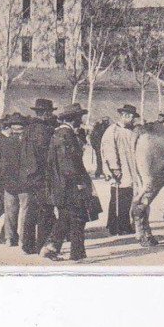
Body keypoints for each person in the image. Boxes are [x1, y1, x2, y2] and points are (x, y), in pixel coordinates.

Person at [40, 103, 93, 261]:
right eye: (79, 117)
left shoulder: (59, 133)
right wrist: (78, 182)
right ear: (73, 118)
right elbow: (67, 162)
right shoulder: (66, 134)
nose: (81, 120)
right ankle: (77, 254)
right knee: (78, 217)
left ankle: (51, 248)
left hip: (60, 184)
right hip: (69, 185)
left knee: (66, 217)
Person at [19, 98, 58, 253]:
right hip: (41, 176)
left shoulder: (28, 129)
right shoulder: (44, 131)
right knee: (45, 211)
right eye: (50, 112)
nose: (51, 115)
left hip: (28, 176)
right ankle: (42, 244)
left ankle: (27, 245)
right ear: (45, 113)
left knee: (31, 211)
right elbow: (45, 156)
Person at [0, 114, 27, 248]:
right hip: (22, 182)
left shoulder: (4, 142)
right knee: (23, 210)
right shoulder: (25, 143)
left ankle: (9, 238)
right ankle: (22, 239)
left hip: (8, 182)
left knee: (10, 210)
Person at [100, 104, 141, 236]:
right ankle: (116, 226)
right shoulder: (113, 130)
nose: (132, 119)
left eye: (133, 117)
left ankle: (124, 224)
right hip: (120, 170)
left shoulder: (132, 131)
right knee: (118, 198)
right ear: (124, 115)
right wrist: (115, 168)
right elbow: (109, 151)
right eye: (130, 117)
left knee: (127, 198)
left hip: (131, 168)